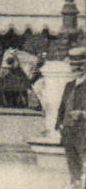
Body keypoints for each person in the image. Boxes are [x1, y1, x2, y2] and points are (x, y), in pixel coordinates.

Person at [58, 47, 86, 187]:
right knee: (71, 159)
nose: (77, 68)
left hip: (83, 129)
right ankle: (75, 183)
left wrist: (82, 114)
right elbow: (62, 107)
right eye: (74, 65)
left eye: (80, 65)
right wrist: (59, 124)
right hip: (68, 129)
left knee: (84, 159)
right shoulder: (69, 85)